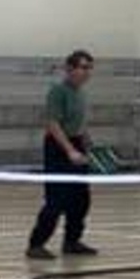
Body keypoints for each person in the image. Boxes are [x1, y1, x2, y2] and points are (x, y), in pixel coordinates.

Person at [26, 49, 99, 259]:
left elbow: (79, 123)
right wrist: (70, 151)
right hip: (58, 147)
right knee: (56, 199)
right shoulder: (58, 91)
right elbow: (53, 123)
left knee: (80, 199)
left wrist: (86, 140)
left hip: (76, 144)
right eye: (83, 68)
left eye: (89, 69)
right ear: (70, 68)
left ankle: (72, 241)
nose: (87, 73)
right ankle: (36, 244)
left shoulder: (81, 93)